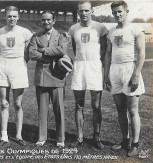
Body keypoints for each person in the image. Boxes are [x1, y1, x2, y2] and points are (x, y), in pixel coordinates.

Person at [104, 1, 145, 157]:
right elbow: (107, 54)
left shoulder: (136, 28)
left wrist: (136, 75)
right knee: (120, 109)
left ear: (126, 11)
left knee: (133, 110)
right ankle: (125, 140)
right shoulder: (111, 32)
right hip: (115, 70)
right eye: (114, 12)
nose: (117, 15)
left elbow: (141, 54)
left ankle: (135, 144)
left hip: (130, 69)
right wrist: (106, 75)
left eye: (120, 12)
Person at [68, 1, 108, 149]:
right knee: (79, 105)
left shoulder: (100, 27)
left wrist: (100, 66)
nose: (83, 13)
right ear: (78, 12)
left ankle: (96, 137)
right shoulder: (73, 29)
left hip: (95, 66)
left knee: (96, 105)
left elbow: (104, 50)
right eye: (81, 11)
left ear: (92, 11)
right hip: (79, 66)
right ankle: (79, 137)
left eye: (86, 10)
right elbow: (74, 47)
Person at [0, 6, 32, 147]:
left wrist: (19, 64)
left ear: (18, 17)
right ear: (5, 17)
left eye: (14, 16)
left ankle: (19, 135)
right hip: (2, 66)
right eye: (9, 16)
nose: (12, 18)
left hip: (19, 66)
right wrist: (4, 64)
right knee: (4, 103)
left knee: (18, 104)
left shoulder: (25, 32)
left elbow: (27, 54)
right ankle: (4, 136)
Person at [29, 11, 70, 148]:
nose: (46, 22)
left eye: (48, 20)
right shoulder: (35, 36)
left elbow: (63, 50)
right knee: (42, 109)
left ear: (54, 20)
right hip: (41, 77)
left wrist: (44, 50)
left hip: (58, 76)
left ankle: (60, 138)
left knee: (59, 109)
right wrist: (51, 53)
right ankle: (42, 137)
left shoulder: (61, 35)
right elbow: (32, 53)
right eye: (43, 20)